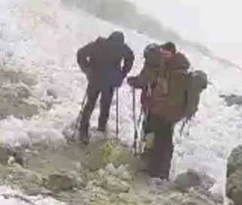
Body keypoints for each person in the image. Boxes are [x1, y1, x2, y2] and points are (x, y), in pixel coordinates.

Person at [127, 41, 191, 179]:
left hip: (166, 113)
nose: (163, 56)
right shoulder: (165, 66)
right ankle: (152, 165)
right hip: (157, 110)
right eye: (162, 54)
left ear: (173, 53)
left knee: (162, 141)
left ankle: (159, 171)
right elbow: (149, 82)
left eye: (166, 54)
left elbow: (170, 94)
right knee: (152, 134)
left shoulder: (178, 73)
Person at [75, 30, 134, 142]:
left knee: (90, 104)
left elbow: (80, 53)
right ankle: (101, 128)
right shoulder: (122, 48)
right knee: (105, 105)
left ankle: (83, 131)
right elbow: (130, 58)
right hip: (109, 82)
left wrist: (87, 69)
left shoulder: (98, 45)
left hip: (95, 79)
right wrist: (122, 73)